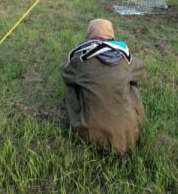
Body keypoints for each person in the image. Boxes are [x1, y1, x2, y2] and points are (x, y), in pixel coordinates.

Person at [59, 18, 145, 154]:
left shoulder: (80, 59)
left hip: (89, 134)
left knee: (71, 86)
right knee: (131, 84)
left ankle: (81, 122)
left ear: (89, 33)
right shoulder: (126, 58)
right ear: (111, 34)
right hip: (128, 135)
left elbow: (65, 73)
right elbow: (140, 71)